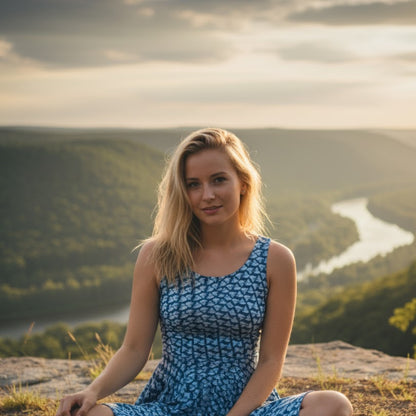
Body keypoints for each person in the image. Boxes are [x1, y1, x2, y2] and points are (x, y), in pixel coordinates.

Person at [56, 128, 353, 416]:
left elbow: (271, 361)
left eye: (219, 180)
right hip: (172, 407)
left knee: (333, 405)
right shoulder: (158, 255)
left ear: (243, 183)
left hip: (247, 408)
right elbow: (134, 349)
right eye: (193, 184)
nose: (207, 195)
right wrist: (93, 391)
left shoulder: (275, 259)